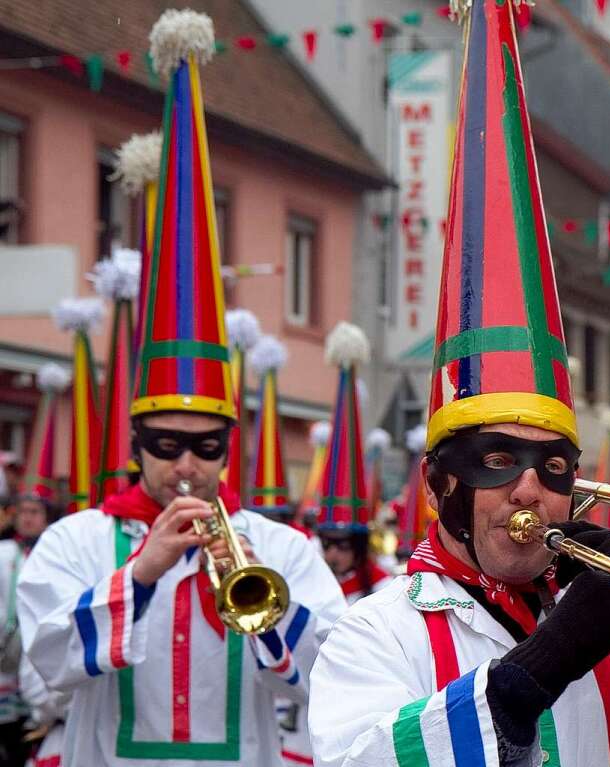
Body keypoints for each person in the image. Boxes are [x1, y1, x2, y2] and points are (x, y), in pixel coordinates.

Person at [308, 3, 610, 765]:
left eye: (553, 467)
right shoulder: (378, 629)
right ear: (438, 480)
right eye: (498, 460)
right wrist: (543, 661)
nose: (529, 492)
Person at [15, 11, 342, 765]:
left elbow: (325, 673)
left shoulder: (282, 550)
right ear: (136, 444)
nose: (185, 466)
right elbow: (48, 659)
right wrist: (143, 571)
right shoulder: (78, 541)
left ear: (228, 449)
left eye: (204, 447)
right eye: (165, 446)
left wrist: (266, 602)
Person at [0, 494, 49, 765]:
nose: (28, 518)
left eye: (35, 511)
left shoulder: (53, 552)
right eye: (23, 512)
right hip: (7, 655)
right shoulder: (4, 551)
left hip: (37, 653)